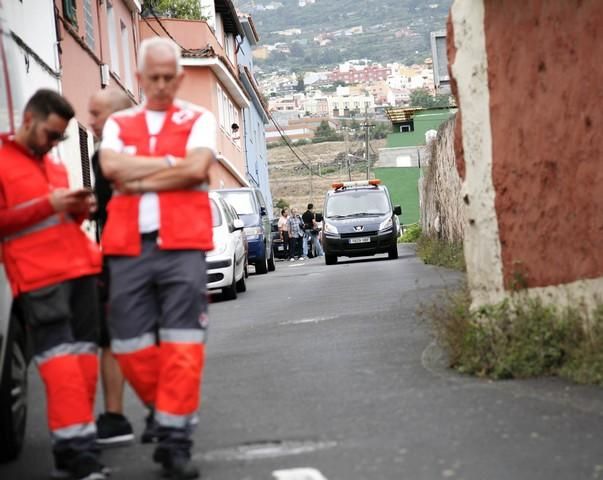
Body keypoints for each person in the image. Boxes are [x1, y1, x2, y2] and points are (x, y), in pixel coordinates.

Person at [99, 37, 216, 479]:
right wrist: (172, 163)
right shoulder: (119, 123)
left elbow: (196, 167)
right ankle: (169, 414)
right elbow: (111, 168)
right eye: (155, 78)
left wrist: (142, 177)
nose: (163, 85)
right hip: (128, 246)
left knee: (184, 344)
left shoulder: (199, 119)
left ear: (181, 78)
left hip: (182, 246)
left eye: (170, 77)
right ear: (140, 78)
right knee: (129, 346)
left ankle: (174, 443)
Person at [0, 89, 107, 479]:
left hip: (79, 271)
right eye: (49, 134)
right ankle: (79, 458)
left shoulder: (53, 163)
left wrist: (79, 210)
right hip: (37, 278)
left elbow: (61, 223)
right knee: (61, 365)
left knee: (81, 365)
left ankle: (74, 449)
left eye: (59, 138)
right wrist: (53, 205)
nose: (52, 144)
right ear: (28, 120)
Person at [88, 89, 135, 446]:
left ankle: (132, 415)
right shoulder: (101, 155)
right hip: (117, 255)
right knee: (111, 338)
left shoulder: (111, 155)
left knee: (119, 339)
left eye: (97, 114)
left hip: (132, 257)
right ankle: (117, 416)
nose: (91, 121)